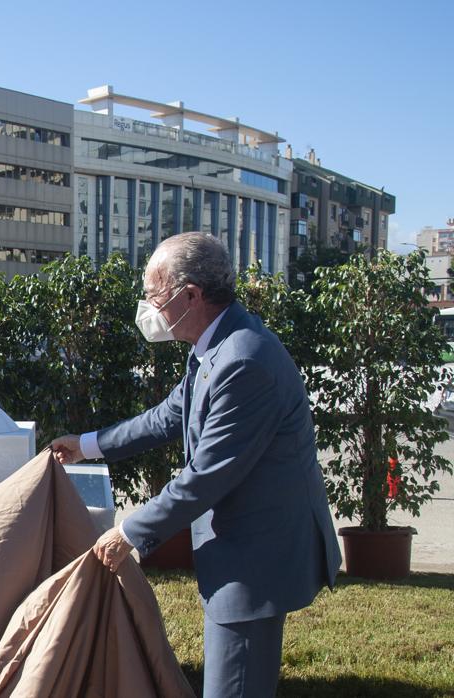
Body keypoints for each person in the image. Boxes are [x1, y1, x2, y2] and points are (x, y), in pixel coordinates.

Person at [50, 232, 340, 698]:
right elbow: (169, 416)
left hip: (254, 558)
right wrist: (86, 446)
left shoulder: (243, 361)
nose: (148, 309)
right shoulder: (216, 343)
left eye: (154, 296)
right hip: (242, 546)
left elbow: (206, 476)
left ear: (190, 296)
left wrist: (128, 533)